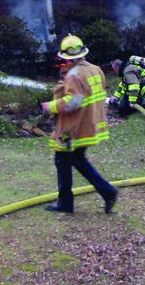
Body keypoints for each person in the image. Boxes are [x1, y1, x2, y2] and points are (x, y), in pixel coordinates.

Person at [39, 34, 119, 214]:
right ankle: (105, 193)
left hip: (74, 129)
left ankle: (69, 203)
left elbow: (72, 102)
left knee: (63, 160)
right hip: (90, 125)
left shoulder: (74, 75)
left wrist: (50, 106)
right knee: (76, 160)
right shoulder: (95, 69)